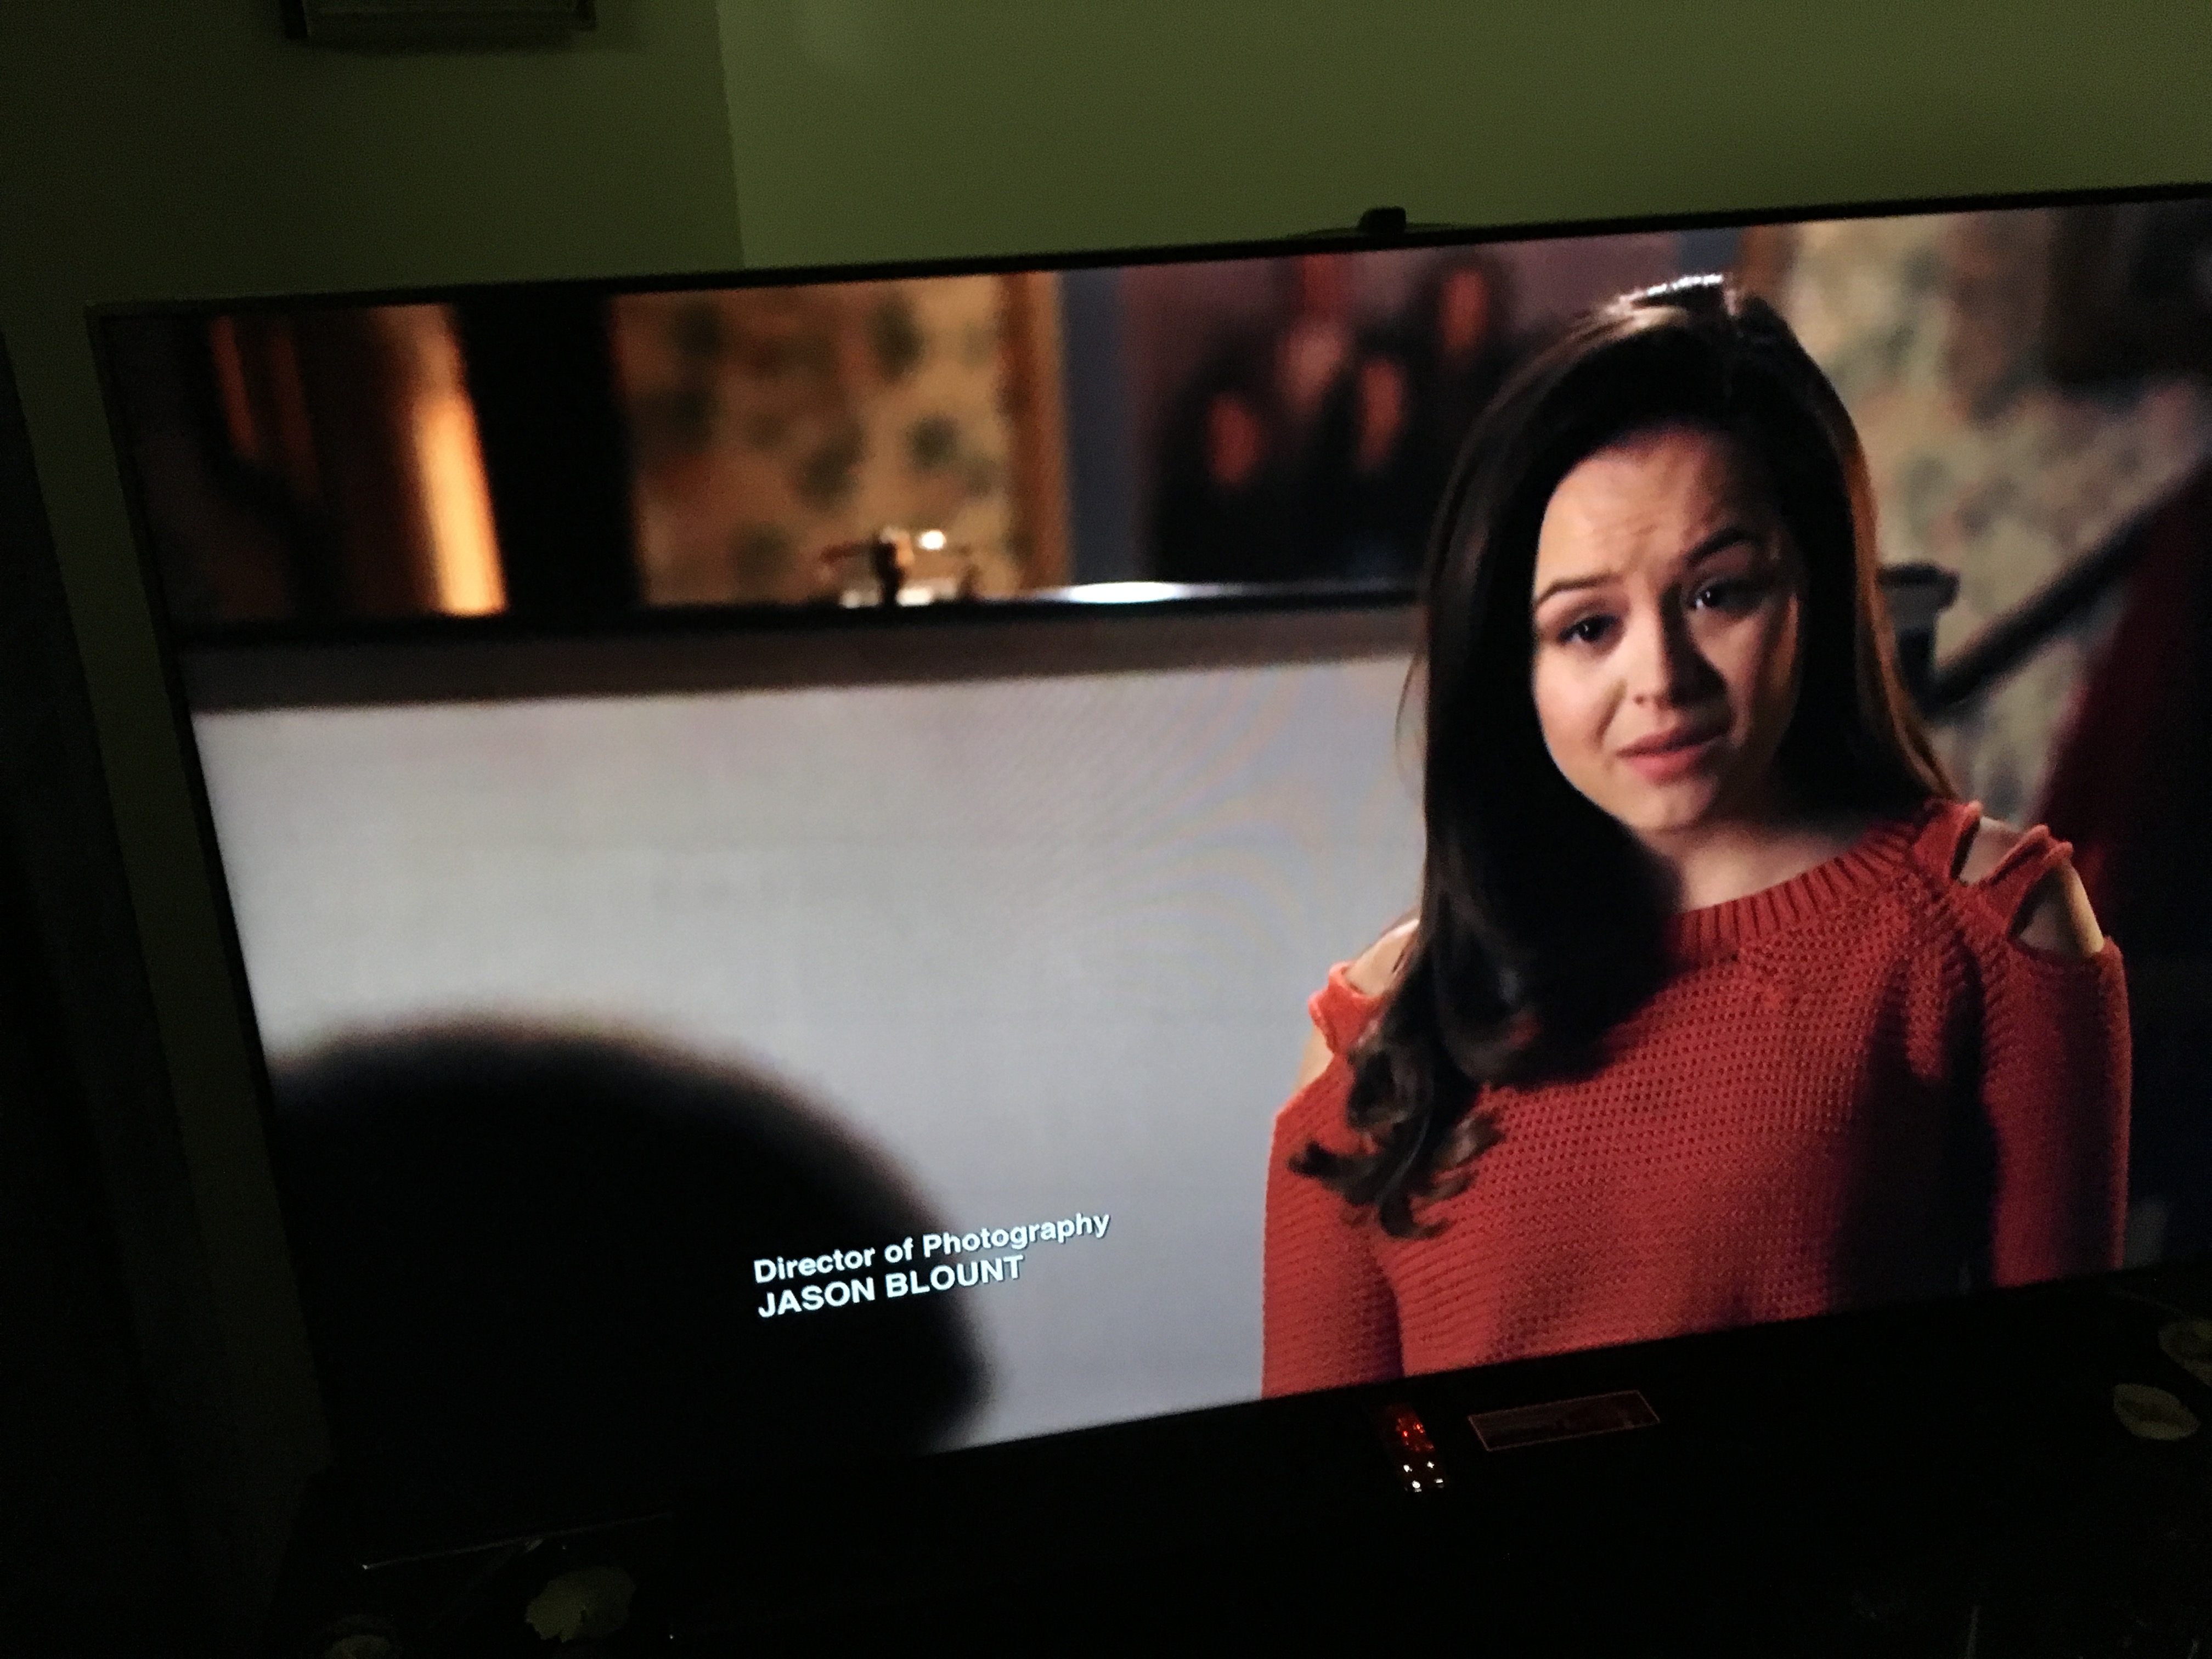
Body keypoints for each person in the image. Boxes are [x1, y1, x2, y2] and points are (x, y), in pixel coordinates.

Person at [1261, 276, 2131, 1398]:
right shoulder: (1378, 1033)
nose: (1661, 679)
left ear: (1813, 588)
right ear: (1512, 669)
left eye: (1719, 594)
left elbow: (2061, 1430)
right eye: (1587, 627)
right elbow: (1322, 1484)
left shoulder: (1992, 933)